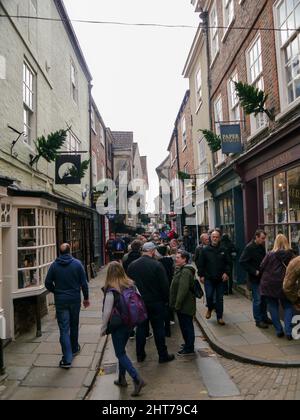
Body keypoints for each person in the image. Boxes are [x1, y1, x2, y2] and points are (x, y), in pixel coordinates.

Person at [100, 262, 146, 397]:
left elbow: (107, 313)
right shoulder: (131, 284)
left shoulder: (111, 290)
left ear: (109, 274)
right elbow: (139, 300)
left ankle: (137, 379)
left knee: (120, 353)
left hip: (118, 325)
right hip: (130, 323)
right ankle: (121, 378)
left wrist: (103, 328)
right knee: (122, 350)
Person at [127, 242, 175, 364]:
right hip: (156, 302)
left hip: (139, 303)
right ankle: (162, 355)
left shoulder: (132, 266)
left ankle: (140, 355)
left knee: (141, 329)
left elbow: (129, 286)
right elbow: (164, 286)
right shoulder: (157, 265)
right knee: (158, 329)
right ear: (152, 251)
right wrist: (166, 301)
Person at [45, 243, 90, 369]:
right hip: (75, 299)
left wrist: (56, 291)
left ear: (59, 252)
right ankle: (74, 348)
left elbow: (47, 283)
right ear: (70, 251)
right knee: (74, 325)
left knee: (64, 329)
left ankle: (67, 359)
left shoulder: (54, 265)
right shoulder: (77, 264)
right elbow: (84, 283)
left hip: (61, 301)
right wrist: (86, 298)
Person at [260, 234, 295, 340]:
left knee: (272, 306)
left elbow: (261, 266)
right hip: (284, 283)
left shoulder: (270, 254)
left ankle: (279, 330)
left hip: (269, 284)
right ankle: (288, 332)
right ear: (286, 242)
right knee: (288, 306)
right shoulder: (291, 255)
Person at [240, 229, 272, 329]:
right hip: (255, 279)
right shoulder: (249, 248)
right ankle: (258, 320)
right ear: (256, 237)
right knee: (257, 300)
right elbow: (242, 262)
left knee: (264, 299)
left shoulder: (261, 247)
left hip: (263, 278)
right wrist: (254, 271)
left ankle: (264, 317)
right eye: (262, 238)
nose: (264, 240)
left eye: (264, 238)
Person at [198, 231, 230, 326]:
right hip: (209, 278)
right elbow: (201, 264)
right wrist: (201, 275)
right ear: (210, 238)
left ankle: (219, 317)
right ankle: (210, 308)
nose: (215, 238)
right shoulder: (205, 250)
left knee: (220, 299)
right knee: (209, 296)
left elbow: (228, 263)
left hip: (220, 279)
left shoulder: (223, 249)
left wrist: (226, 273)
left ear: (219, 238)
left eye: (217, 237)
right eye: (213, 237)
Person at [170, 251, 196, 356]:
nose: (176, 259)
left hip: (185, 305)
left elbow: (183, 290)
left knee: (187, 326)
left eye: (178, 257)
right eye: (176, 257)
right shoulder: (181, 269)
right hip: (183, 304)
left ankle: (189, 348)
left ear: (184, 259)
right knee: (184, 326)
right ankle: (187, 344)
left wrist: (177, 305)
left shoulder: (185, 272)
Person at [156, 245, 176, 335]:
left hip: (162, 284)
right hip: (170, 282)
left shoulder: (158, 262)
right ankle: (171, 319)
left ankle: (164, 323)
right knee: (169, 302)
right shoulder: (170, 260)